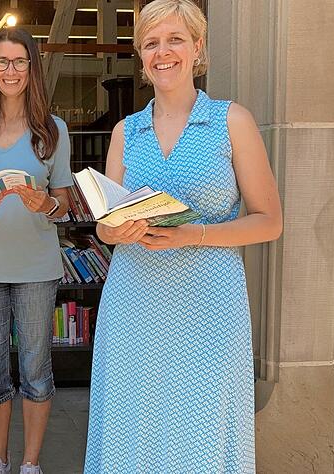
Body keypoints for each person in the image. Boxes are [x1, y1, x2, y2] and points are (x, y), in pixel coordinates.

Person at [83, 1, 283, 472]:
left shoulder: (232, 122)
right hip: (134, 305)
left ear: (198, 46)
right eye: (151, 43)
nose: (163, 52)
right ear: (141, 55)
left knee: (203, 434)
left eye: (175, 39)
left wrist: (195, 233)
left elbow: (270, 220)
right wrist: (115, 228)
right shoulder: (125, 132)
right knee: (131, 431)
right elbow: (106, 227)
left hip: (208, 310)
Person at [0, 28, 73, 474]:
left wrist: (46, 203)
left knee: (36, 368)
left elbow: (64, 201)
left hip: (38, 268)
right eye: (2, 62)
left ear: (32, 68)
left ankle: (29, 463)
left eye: (20, 62)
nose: (11, 71)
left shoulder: (53, 131)